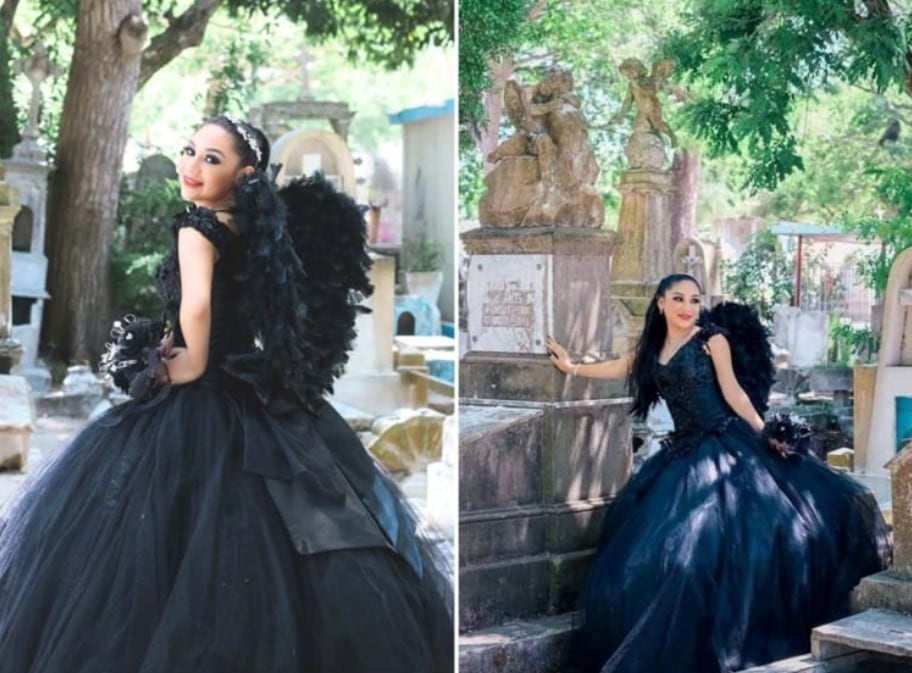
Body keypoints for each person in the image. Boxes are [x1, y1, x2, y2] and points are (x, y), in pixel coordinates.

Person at [0, 116, 453, 673]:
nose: (191, 167)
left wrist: (182, 366)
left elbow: (196, 310)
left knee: (158, 542)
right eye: (190, 151)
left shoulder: (198, 227)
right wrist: (171, 344)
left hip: (204, 392)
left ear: (246, 172)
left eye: (211, 159)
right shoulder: (255, 229)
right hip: (252, 389)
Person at [545, 273, 890, 673]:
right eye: (678, 299)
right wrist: (572, 368)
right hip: (681, 454)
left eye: (694, 300)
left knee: (704, 551)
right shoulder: (652, 348)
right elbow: (621, 367)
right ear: (660, 303)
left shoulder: (712, 340)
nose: (687, 307)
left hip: (725, 446)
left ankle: (721, 641)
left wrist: (767, 434)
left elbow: (735, 394)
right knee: (652, 557)